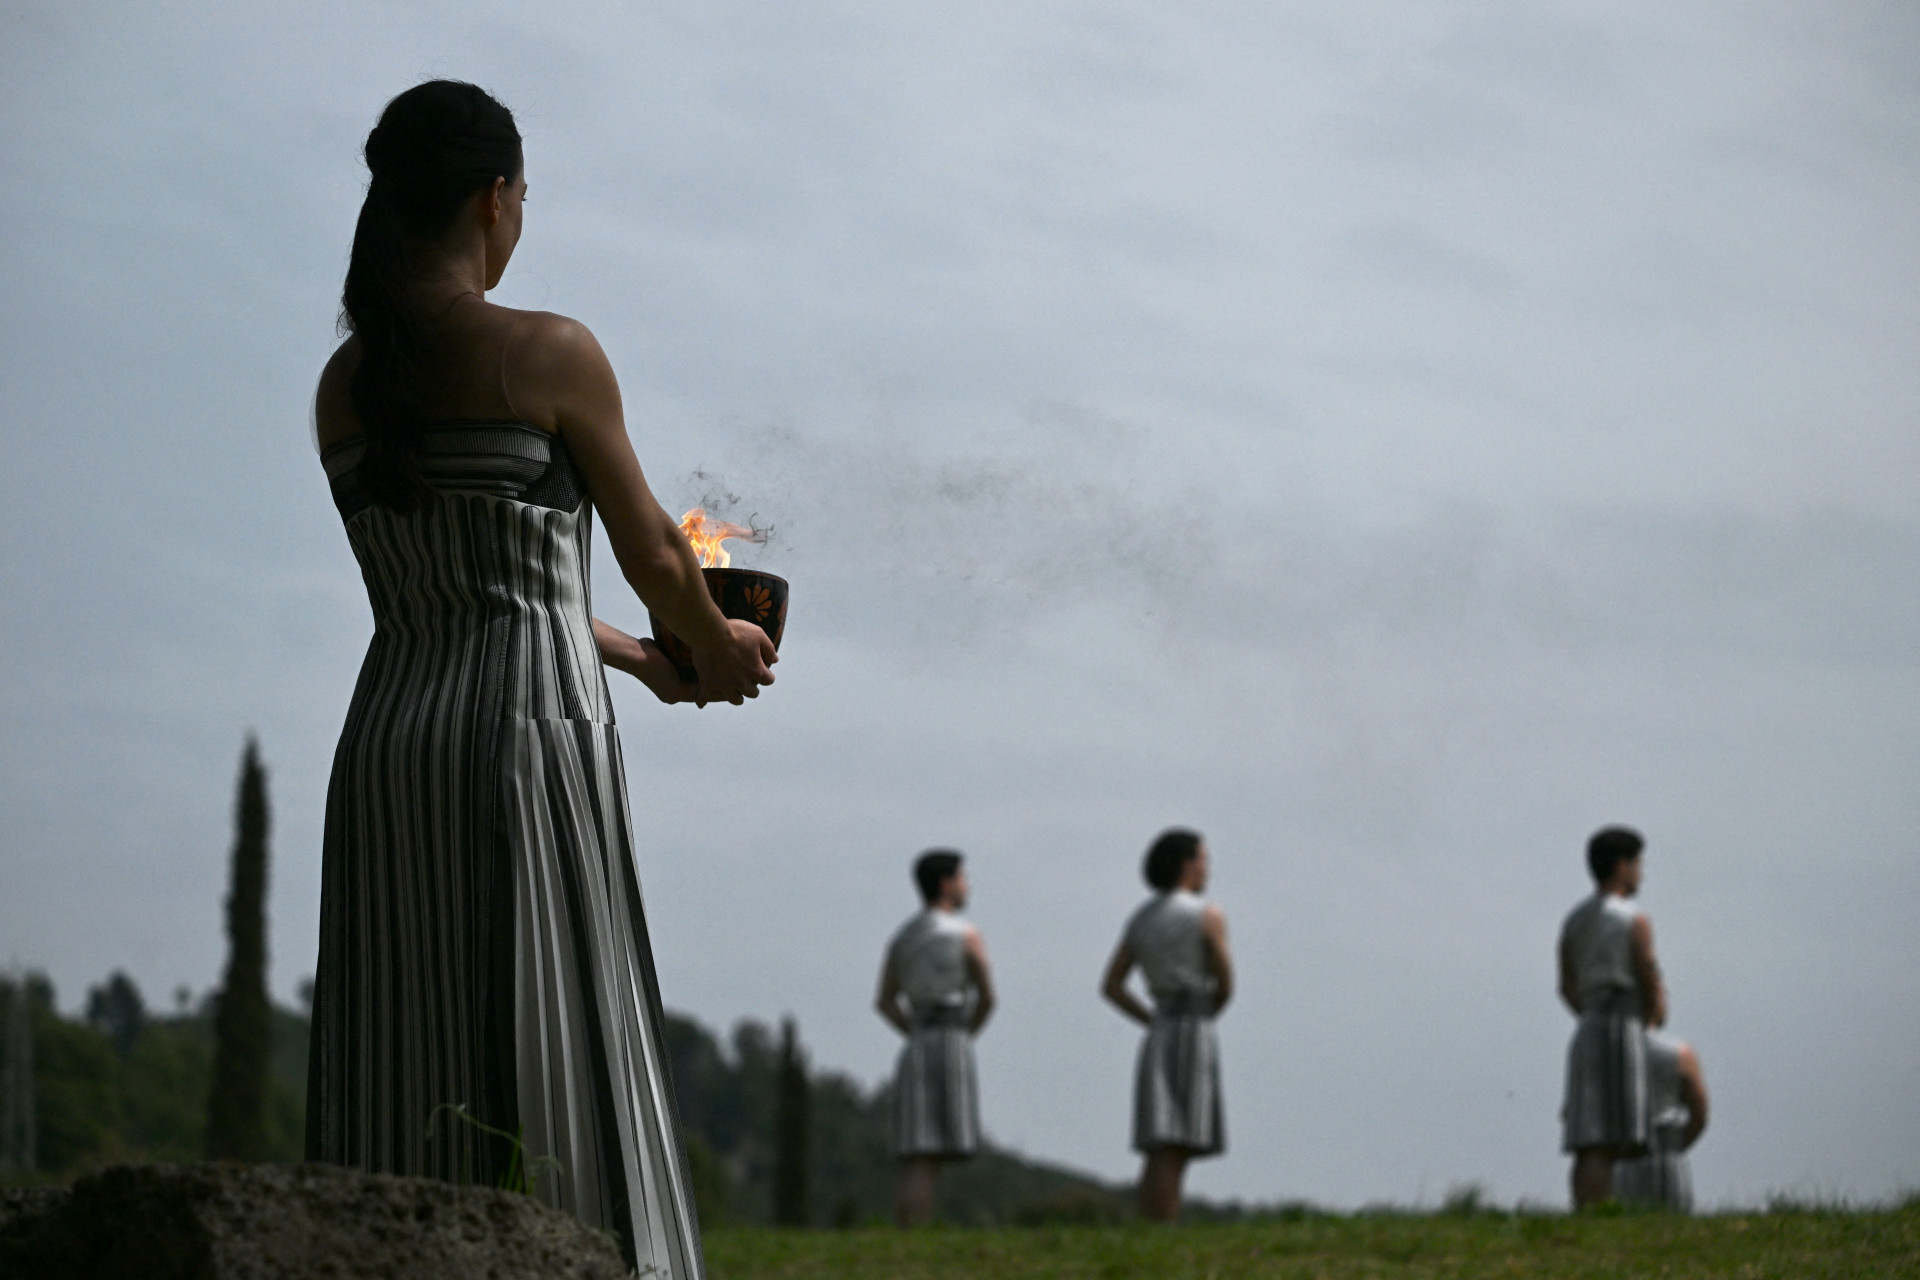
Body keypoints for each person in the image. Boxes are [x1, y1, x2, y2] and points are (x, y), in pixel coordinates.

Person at [305, 81, 776, 1278]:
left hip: (390, 744)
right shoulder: (547, 351)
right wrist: (713, 653)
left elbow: (480, 579)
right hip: (527, 734)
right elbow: (659, 552)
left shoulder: (343, 386)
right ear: (491, 197)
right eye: (522, 196)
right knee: (567, 1038)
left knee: (403, 1061)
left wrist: (640, 660)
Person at [1100, 828, 1232, 1223]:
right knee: (1178, 1140)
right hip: (1194, 1022)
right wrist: (1208, 1015)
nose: (1207, 868)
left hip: (1161, 1026)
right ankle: (1164, 1226)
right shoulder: (1207, 914)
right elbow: (1226, 981)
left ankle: (1152, 1224)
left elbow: (1112, 985)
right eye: (1203, 859)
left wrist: (1150, 1019)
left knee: (1160, 1140)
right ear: (1187, 864)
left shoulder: (1141, 918)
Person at [873, 849, 996, 1226]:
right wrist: (967, 1033)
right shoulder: (965, 934)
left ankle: (907, 1228)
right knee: (931, 1150)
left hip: (917, 1039)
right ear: (946, 884)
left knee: (917, 1148)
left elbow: (885, 1000)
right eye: (962, 878)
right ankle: (917, 1230)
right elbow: (987, 995)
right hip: (951, 1035)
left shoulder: (903, 937)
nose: (967, 885)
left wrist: (912, 1031)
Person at [1558, 825, 1668, 1211]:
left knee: (1589, 1132)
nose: (1641, 872)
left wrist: (1589, 1012)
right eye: (1637, 864)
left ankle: (1588, 1210)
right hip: (1622, 1021)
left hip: (1588, 1023)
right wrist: (1652, 1016)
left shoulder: (1574, 921)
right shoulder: (1634, 919)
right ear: (1622, 866)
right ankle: (1599, 1212)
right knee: (1609, 1134)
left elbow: (1566, 984)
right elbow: (1647, 970)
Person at [1613, 1030, 1709, 1212]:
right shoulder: (1680, 1053)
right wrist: (1676, 1146)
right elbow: (1699, 1115)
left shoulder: (1602, 1055)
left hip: (1620, 1157)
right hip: (1667, 1157)